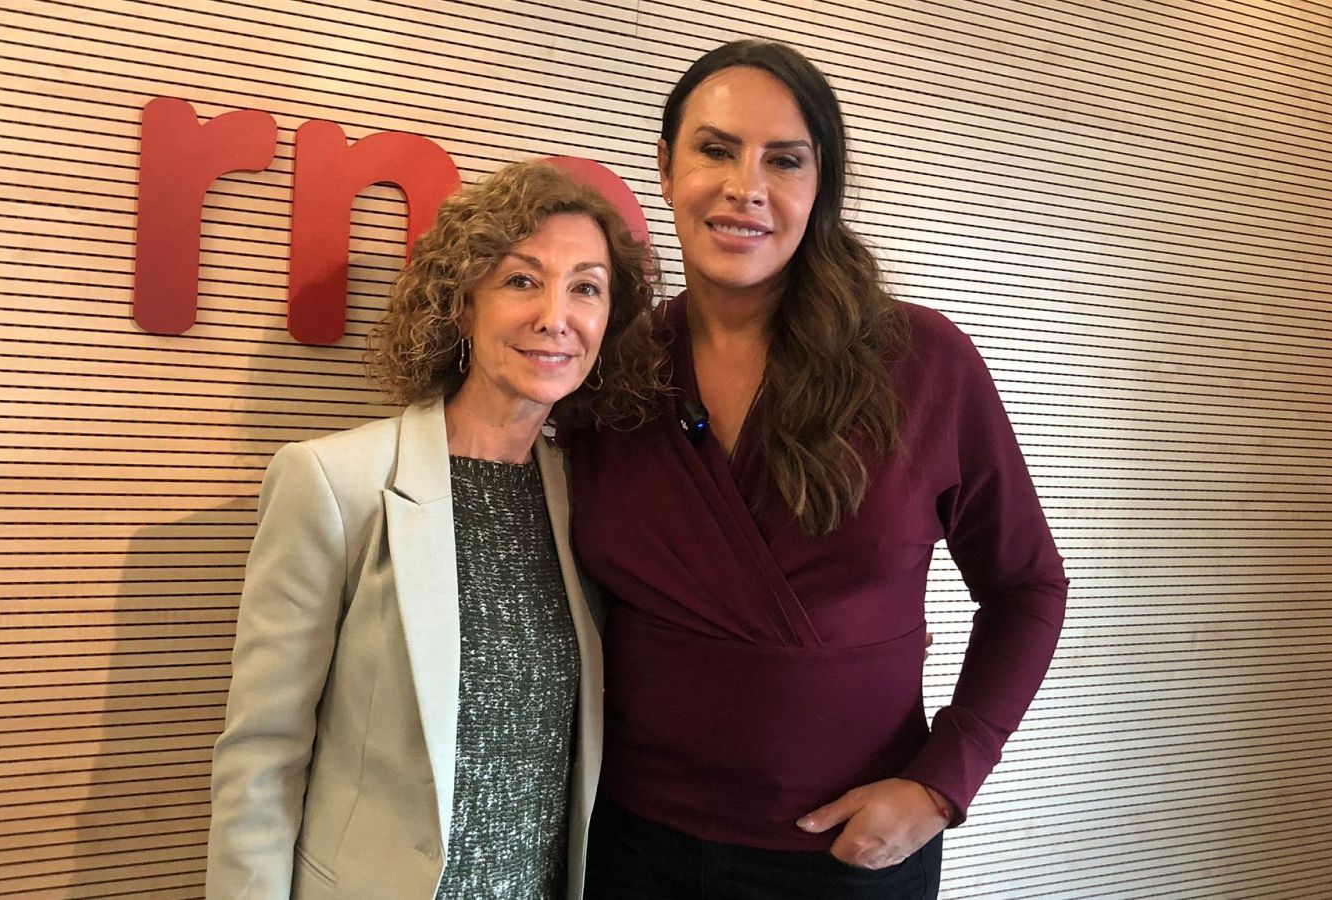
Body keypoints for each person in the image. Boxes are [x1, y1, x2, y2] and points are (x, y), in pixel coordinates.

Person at [566, 40, 1068, 899]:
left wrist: (943, 783)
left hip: (848, 863)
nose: (744, 187)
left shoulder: (923, 363)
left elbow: (1027, 588)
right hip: (631, 848)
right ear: (664, 163)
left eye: (784, 160)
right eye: (715, 149)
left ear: (819, 185)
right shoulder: (609, 371)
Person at [206, 161, 663, 900]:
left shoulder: (591, 500)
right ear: (461, 304)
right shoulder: (333, 483)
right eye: (521, 280)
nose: (556, 315)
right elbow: (263, 754)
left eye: (586, 287)